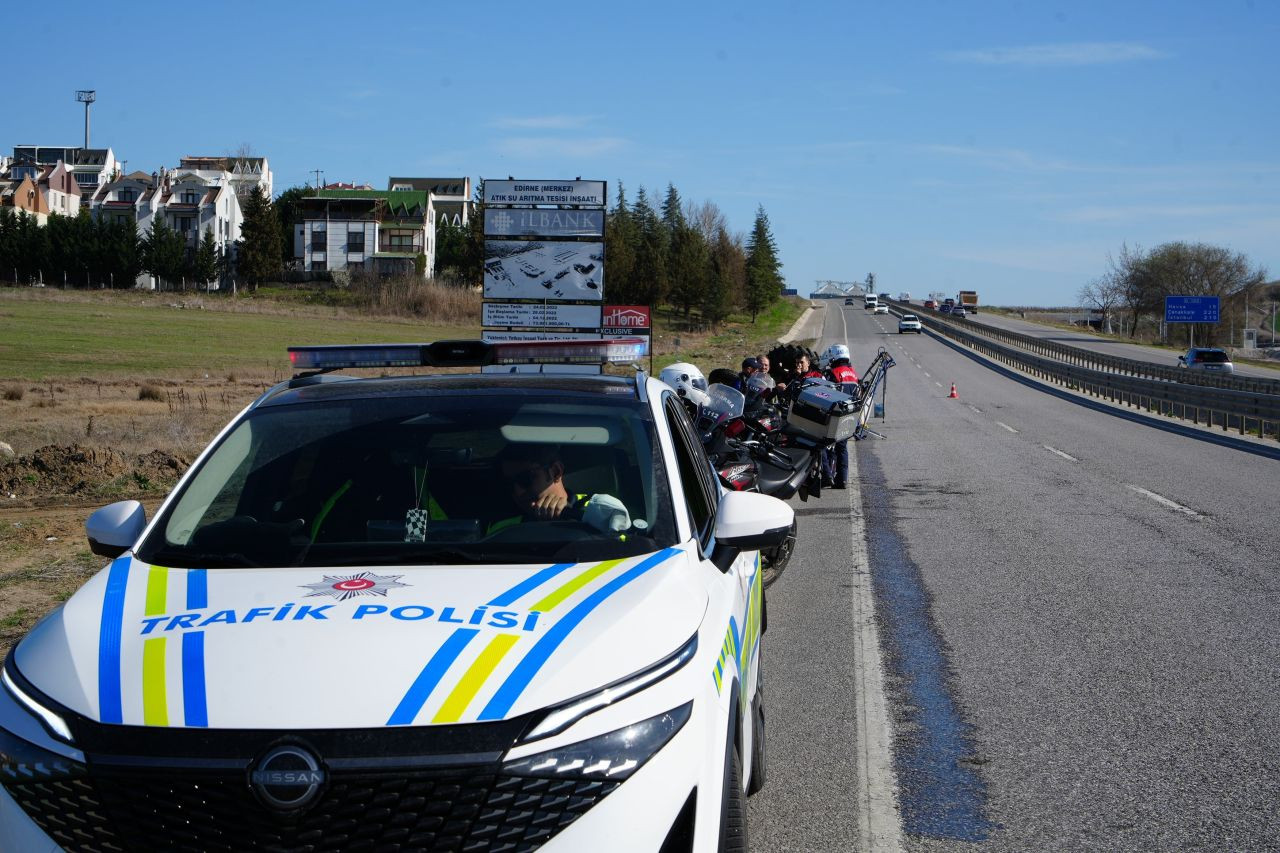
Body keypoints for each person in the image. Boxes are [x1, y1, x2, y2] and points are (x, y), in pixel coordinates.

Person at [490, 444, 630, 535]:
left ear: (556, 472)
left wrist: (571, 515)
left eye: (525, 479)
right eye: (509, 483)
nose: (518, 492)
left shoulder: (600, 509)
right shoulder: (501, 529)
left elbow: (628, 542)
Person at [821, 344, 859, 489]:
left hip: (835, 415)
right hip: (849, 415)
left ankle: (827, 475)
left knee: (823, 445)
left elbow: (826, 393)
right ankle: (842, 479)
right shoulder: (853, 373)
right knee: (842, 448)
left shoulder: (833, 373)